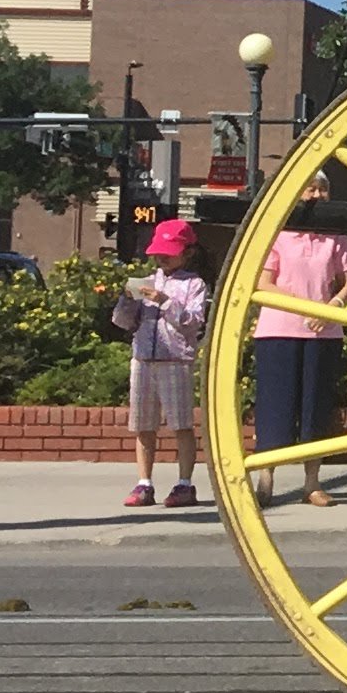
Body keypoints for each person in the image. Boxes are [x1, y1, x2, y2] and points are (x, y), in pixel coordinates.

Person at [249, 177, 347, 510]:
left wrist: (332, 307)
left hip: (323, 332)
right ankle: (265, 481)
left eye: (323, 189)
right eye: (309, 188)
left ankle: (312, 483)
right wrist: (301, 303)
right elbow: (262, 282)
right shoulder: (278, 233)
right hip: (278, 329)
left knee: (316, 408)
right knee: (273, 407)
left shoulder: (335, 235)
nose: (316, 194)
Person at [110, 215, 210, 509]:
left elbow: (193, 322)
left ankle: (184, 483)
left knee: (181, 424)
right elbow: (123, 322)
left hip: (175, 359)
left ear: (187, 252)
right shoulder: (147, 281)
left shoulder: (194, 284)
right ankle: (144, 482)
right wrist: (126, 300)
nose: (162, 257)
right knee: (143, 425)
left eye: (170, 251)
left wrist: (166, 301)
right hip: (143, 358)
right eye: (158, 252)